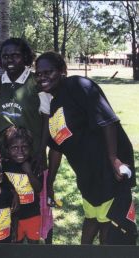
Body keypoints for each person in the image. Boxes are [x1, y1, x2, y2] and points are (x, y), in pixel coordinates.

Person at [35, 51, 137, 245]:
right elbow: (57, 147)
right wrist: (50, 183)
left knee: (110, 228)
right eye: (38, 74)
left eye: (48, 72)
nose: (42, 77)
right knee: (91, 219)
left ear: (62, 70)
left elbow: (107, 121)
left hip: (108, 170)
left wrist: (113, 158)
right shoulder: (55, 104)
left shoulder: (79, 86)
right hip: (87, 176)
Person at [0, 37, 54, 243]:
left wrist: (41, 152)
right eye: (5, 56)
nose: (10, 59)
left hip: (33, 158)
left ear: (26, 58)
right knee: (9, 207)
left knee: (36, 207)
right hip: (5, 159)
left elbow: (46, 119)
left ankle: (38, 242)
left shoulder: (37, 84)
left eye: (15, 55)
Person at [2, 126, 43, 244]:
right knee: (15, 245)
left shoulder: (35, 164)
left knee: (33, 246)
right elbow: (3, 186)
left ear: (30, 148)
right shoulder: (4, 165)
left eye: (24, 147)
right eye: (14, 148)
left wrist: (29, 172)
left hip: (32, 215)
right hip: (13, 217)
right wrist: (13, 192)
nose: (20, 152)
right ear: (7, 149)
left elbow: (38, 188)